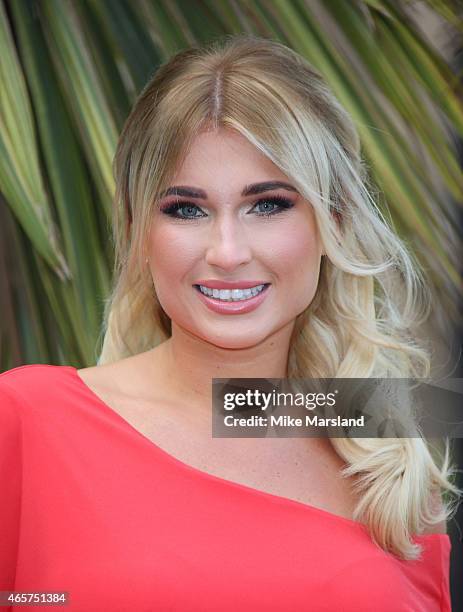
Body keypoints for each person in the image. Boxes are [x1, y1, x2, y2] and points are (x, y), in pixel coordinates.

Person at [0, 34, 460, 611]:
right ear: (138, 228)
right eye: (186, 209)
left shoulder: (387, 455)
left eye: (267, 204)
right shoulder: (29, 419)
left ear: (333, 220)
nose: (227, 250)